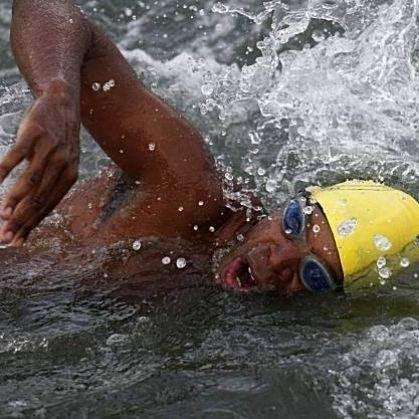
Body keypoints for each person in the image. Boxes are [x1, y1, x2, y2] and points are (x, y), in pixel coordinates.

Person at [2, 0, 418, 296]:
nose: (278, 260)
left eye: (312, 276)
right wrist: (57, 96)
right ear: (293, 201)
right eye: (293, 223)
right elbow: (48, 8)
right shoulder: (188, 188)